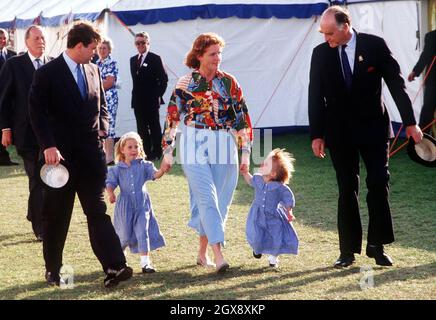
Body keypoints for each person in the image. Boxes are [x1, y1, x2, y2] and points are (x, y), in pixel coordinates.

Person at [308, 6, 423, 268]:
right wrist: (317, 134)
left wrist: (410, 123)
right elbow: (315, 94)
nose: (327, 39)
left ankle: (377, 245)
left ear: (345, 25)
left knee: (379, 183)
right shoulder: (320, 54)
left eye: (329, 33)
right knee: (347, 188)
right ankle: (347, 251)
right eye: (323, 34)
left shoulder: (374, 46)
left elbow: (396, 84)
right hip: (339, 133)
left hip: (373, 129)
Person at [28, 21, 132, 288]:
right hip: (58, 160)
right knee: (56, 216)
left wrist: (103, 131)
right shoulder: (48, 73)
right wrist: (48, 145)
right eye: (93, 48)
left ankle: (115, 265)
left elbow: (103, 107)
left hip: (89, 158)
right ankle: (53, 269)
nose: (95, 53)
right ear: (78, 46)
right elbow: (36, 112)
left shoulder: (94, 70)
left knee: (97, 211)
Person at [161, 32, 253, 274]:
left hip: (224, 141)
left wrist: (245, 153)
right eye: (213, 54)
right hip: (193, 139)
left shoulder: (230, 83)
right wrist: (168, 151)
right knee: (205, 195)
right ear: (199, 55)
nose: (218, 58)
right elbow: (172, 118)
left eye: (220, 53)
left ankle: (202, 254)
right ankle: (218, 254)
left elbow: (242, 119)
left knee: (220, 200)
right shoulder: (185, 83)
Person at [0, 25, 51, 241]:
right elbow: (3, 99)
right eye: (37, 38)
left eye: (43, 38)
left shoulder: (53, 64)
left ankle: (34, 213)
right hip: (25, 133)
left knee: (48, 178)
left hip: (50, 134)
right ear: (27, 41)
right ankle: (40, 228)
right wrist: (5, 129)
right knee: (36, 177)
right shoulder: (14, 65)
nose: (41, 41)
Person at [106, 132, 168, 273]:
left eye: (137, 146)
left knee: (142, 231)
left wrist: (162, 170)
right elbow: (110, 183)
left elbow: (155, 175)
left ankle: (145, 263)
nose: (134, 150)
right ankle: (118, 259)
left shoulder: (144, 165)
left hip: (142, 204)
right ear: (122, 149)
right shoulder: (117, 169)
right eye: (130, 147)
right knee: (124, 235)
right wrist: (110, 193)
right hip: (125, 206)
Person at [240, 148, 299, 268]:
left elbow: (287, 198)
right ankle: (257, 249)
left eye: (266, 164)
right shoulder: (258, 179)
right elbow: (250, 181)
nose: (262, 164)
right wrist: (245, 173)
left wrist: (289, 212)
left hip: (273, 216)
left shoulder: (279, 187)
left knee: (276, 236)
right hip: (257, 215)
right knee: (256, 235)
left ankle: (273, 257)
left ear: (273, 174)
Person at [130, 31, 168, 161]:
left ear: (148, 43)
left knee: (154, 126)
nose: (140, 45)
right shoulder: (133, 60)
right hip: (138, 101)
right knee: (141, 128)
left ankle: (157, 151)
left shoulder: (155, 58)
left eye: (142, 42)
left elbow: (163, 80)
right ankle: (145, 152)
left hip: (151, 100)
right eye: (137, 43)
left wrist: (157, 95)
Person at [408, 29, 435, 135]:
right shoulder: (432, 36)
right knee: (427, 112)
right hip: (433, 82)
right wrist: (415, 71)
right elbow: (425, 56)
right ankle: (422, 141)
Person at [96, 38, 119, 164]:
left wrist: (94, 86)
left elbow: (109, 82)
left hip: (109, 99)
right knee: (101, 125)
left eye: (104, 48)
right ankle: (103, 155)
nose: (102, 50)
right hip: (99, 98)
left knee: (109, 126)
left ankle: (110, 157)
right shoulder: (96, 63)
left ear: (109, 50)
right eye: (99, 48)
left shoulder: (112, 63)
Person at [0, 28, 18, 166]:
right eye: (0, 38)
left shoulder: (13, 55)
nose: (2, 41)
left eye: (4, 38)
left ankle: (5, 156)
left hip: (10, 96)